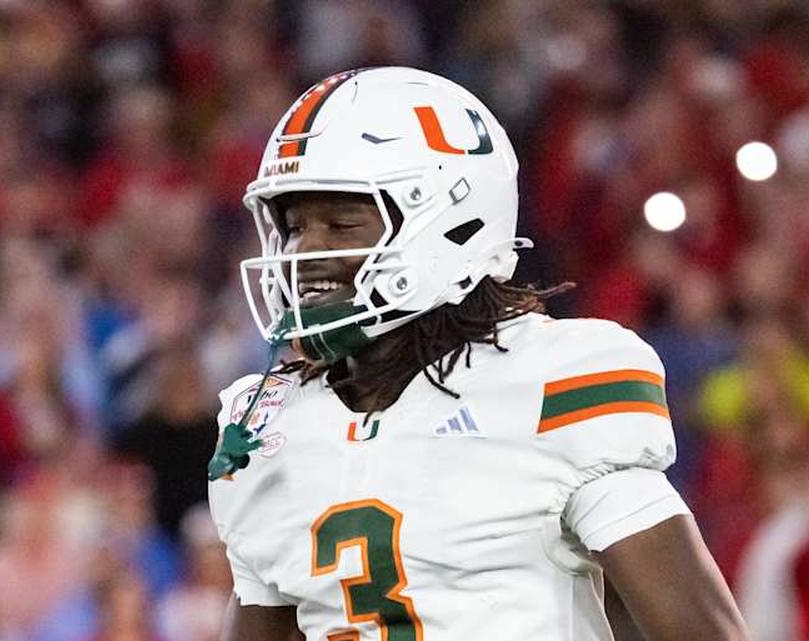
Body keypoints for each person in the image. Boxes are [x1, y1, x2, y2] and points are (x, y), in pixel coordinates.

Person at [207, 67, 749, 641]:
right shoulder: (268, 426)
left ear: (449, 224)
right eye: (293, 226)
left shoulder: (546, 381)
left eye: (342, 223)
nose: (304, 252)